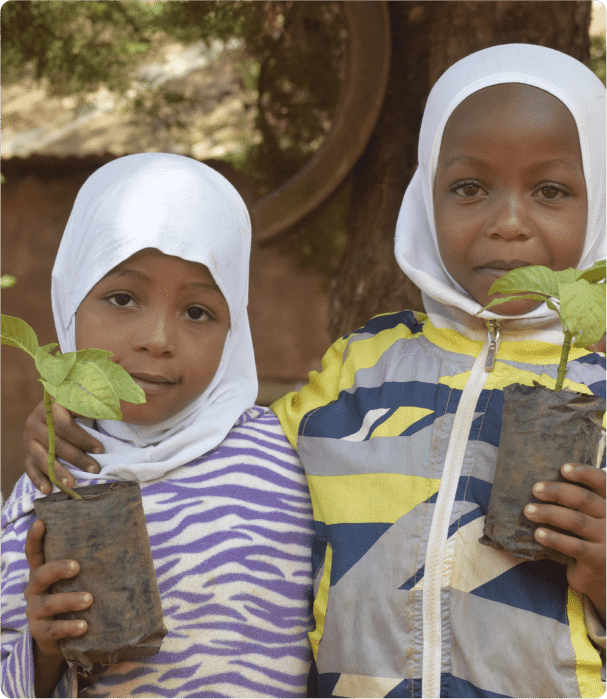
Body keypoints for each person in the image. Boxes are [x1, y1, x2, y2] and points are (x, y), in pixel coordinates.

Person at [17, 44, 607, 698]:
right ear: (422, 192)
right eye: (468, 187)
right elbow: (206, 443)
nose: (507, 223)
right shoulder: (355, 372)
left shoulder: (599, 400)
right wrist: (77, 415)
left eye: (550, 190)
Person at [1, 153, 313, 698]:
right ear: (71, 301)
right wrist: (43, 649)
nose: (158, 338)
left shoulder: (294, 462)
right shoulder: (51, 478)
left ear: (234, 327)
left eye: (197, 312)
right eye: (122, 298)